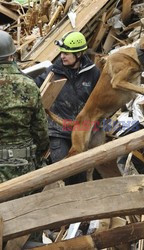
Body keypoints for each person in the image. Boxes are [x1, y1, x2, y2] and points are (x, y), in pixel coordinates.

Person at [35, 31, 100, 183]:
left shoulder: (93, 73)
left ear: (79, 54)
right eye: (62, 52)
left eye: (67, 53)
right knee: (63, 169)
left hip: (83, 130)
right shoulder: (53, 71)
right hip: (57, 130)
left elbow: (99, 101)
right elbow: (35, 87)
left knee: (81, 173)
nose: (62, 56)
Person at [0, 30, 49, 182]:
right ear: (11, 56)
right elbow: (40, 129)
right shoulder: (28, 85)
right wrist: (40, 151)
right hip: (22, 165)